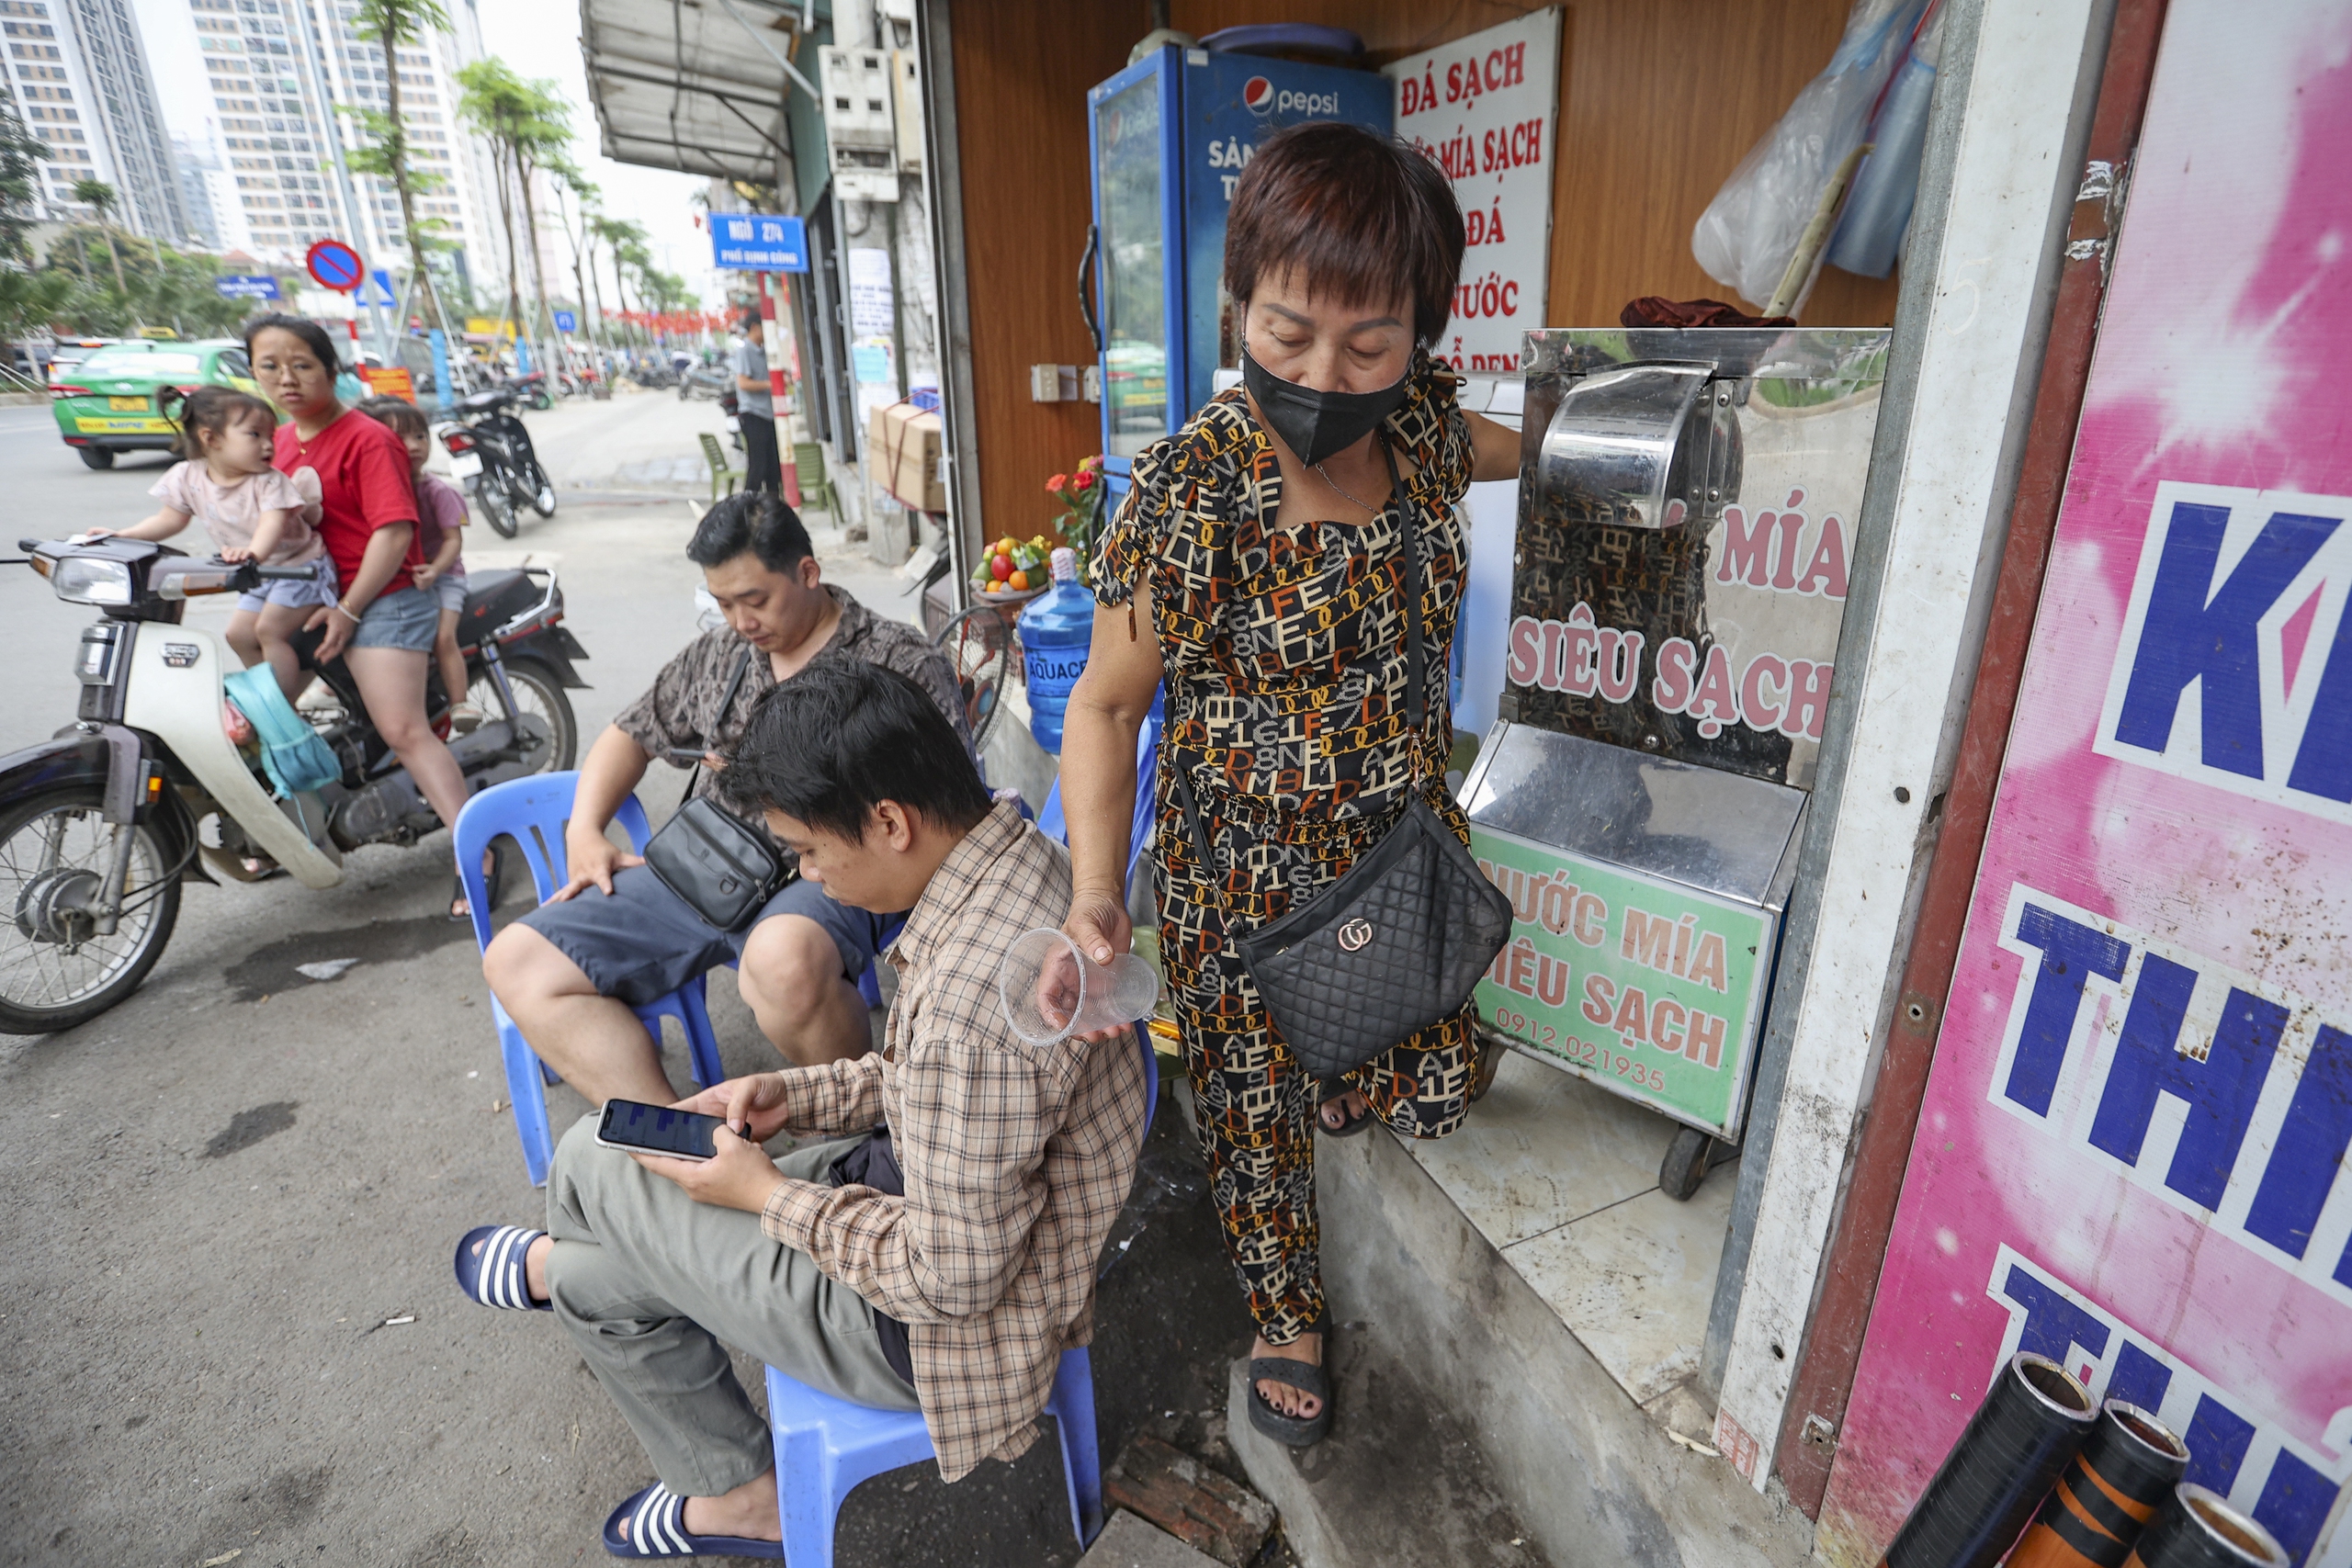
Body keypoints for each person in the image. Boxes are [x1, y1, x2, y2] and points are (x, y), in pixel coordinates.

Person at [452, 661, 1148, 1555]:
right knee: (601, 1278)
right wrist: (797, 1091)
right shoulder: (1028, 868)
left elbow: (951, 1280)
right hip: (937, 1193)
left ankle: (727, 1480)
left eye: (810, 852)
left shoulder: (978, 1005)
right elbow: (930, 1082)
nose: (807, 874)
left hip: (927, 1330)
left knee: (593, 1155)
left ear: (890, 821)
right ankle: (585, 1285)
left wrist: (767, 1200)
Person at [1057, 123, 1523, 1449]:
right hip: (1242, 874)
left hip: (1399, 841)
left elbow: (1518, 439)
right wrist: (1100, 896)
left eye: (1369, 344)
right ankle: (1286, 1313)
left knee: (1438, 1080)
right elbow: (1102, 702)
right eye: (1285, 329)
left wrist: (1622, 411)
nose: (1321, 372)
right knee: (1257, 1114)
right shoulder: (1194, 489)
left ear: (1423, 336)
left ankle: (1355, 1056)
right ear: (1239, 303)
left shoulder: (1425, 433)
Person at [481, 491, 970, 1109]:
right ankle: (679, 1138)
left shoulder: (896, 660)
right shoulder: (722, 654)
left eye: (755, 599)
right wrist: (585, 829)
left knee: (781, 961)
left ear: (808, 572)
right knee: (517, 960)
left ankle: (867, 1129)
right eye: (723, 603)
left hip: (827, 872)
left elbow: (946, 806)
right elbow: (629, 732)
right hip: (707, 862)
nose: (741, 620)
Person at [243, 312, 472, 907]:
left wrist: (347, 608)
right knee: (251, 683)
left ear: (330, 369)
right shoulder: (281, 440)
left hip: (386, 596)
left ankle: (478, 852)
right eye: (270, 365)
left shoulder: (369, 438)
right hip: (318, 595)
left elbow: (394, 532)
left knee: (404, 730)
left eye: (302, 364)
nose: (286, 378)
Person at [83, 384, 334, 702]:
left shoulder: (270, 481)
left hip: (301, 568)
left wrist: (252, 552)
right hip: (258, 572)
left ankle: (279, 707)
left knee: (270, 631)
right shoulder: (187, 476)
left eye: (270, 436)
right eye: (255, 435)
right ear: (210, 438)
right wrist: (122, 535)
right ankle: (272, 696)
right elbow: (169, 520)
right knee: (239, 635)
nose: (269, 445)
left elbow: (272, 523)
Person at [356, 396, 481, 735]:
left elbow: (453, 540)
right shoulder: (377, 488)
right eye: (400, 437)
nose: (413, 446)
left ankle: (460, 702)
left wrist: (436, 569)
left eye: (419, 436)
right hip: (403, 580)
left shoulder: (437, 491)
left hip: (444, 578)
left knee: (442, 637)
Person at [731, 304, 782, 494]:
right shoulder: (745, 351)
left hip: (768, 415)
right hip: (753, 414)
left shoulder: (764, 351)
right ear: (754, 328)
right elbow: (743, 383)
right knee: (757, 466)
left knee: (772, 468)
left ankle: (772, 508)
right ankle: (746, 506)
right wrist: (771, 384)